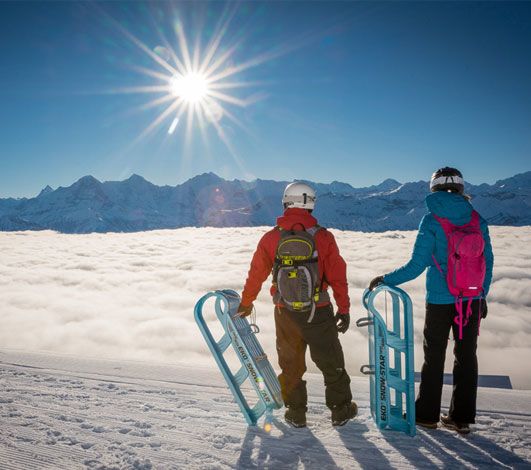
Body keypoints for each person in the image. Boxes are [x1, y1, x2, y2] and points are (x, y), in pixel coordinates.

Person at [369, 167, 493, 435]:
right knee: (466, 356)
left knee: (434, 356)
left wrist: (385, 280)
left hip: (439, 300)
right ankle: (461, 418)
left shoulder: (431, 219)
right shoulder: (476, 219)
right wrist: (482, 294)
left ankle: (426, 415)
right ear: (461, 188)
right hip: (470, 299)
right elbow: (488, 261)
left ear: (433, 187)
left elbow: (417, 264)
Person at [238, 182, 357, 428]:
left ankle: (295, 413)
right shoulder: (323, 237)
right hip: (319, 311)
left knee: (290, 364)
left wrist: (246, 302)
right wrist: (344, 309)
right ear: (311, 204)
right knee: (330, 360)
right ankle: (340, 410)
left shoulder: (271, 237)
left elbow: (256, 273)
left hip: (284, 312)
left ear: (286, 202)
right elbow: (338, 277)